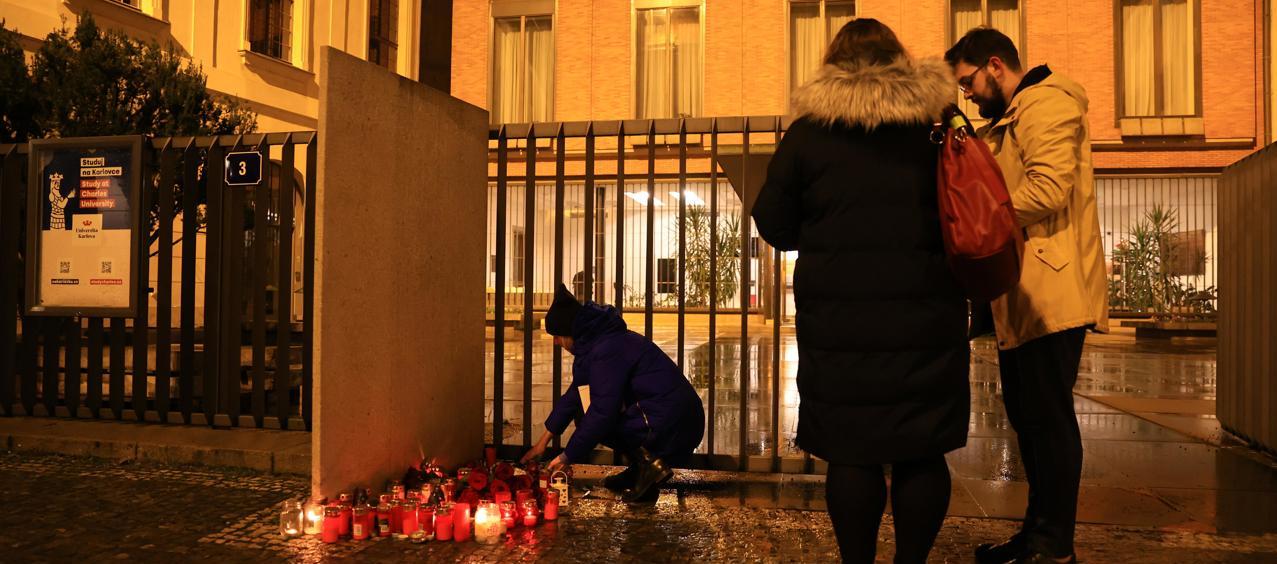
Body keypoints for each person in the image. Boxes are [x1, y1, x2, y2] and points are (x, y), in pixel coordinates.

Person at [752, 18, 969, 564]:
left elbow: (774, 225)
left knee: (852, 452)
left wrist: (826, 235)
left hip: (840, 323)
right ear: (899, 59)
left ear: (834, 63)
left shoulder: (808, 133)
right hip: (927, 316)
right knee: (922, 450)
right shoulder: (934, 125)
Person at [945, 28, 1110, 564]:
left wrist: (979, 221)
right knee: (1031, 418)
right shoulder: (1013, 116)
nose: (967, 93)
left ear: (996, 65)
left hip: (1051, 290)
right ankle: (1037, 536)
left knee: (1048, 418)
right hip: (1026, 292)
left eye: (968, 81)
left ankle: (1053, 545)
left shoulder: (1046, 104)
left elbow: (1048, 187)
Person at [521, 284, 705, 504]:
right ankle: (641, 467)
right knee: (585, 409)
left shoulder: (606, 349)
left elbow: (602, 412)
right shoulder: (595, 344)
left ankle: (650, 470)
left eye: (558, 336)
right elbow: (574, 396)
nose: (556, 342)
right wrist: (542, 443)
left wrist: (566, 458)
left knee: (596, 417)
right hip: (667, 417)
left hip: (675, 424)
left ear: (572, 331)